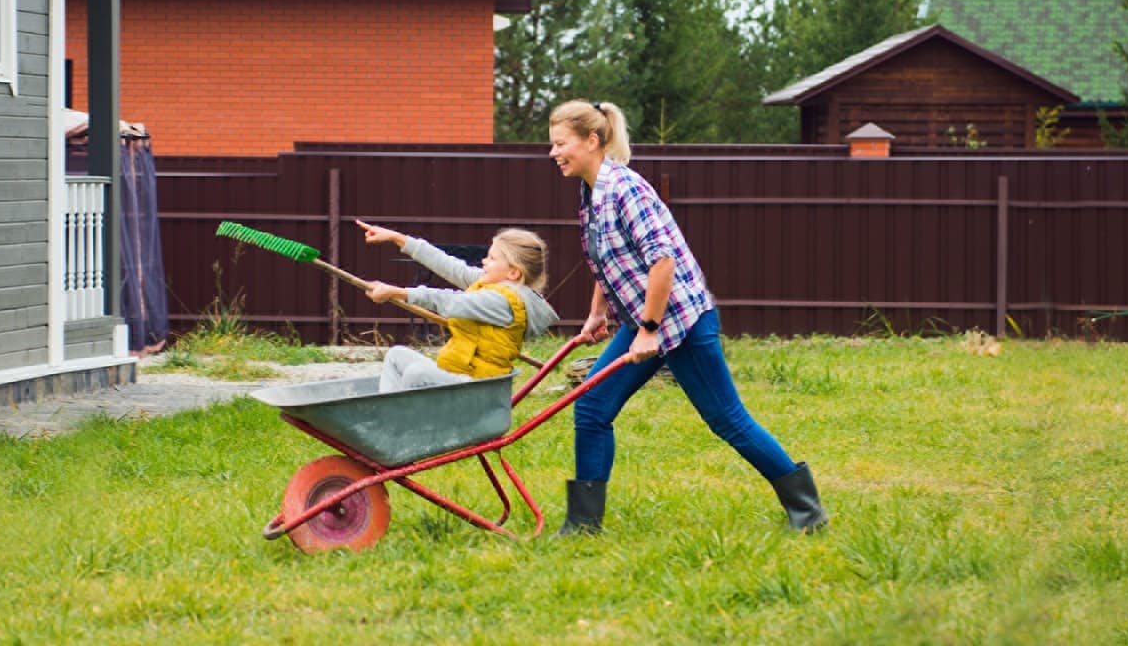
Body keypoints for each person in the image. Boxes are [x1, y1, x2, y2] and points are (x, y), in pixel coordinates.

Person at [548, 100, 828, 534]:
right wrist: (597, 312)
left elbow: (662, 260)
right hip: (644, 321)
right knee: (592, 406)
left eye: (560, 143)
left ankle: (808, 512)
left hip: (681, 323)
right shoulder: (592, 191)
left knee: (727, 419)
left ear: (592, 140)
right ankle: (584, 525)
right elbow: (608, 258)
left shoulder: (624, 189)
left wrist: (649, 330)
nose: (554, 153)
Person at [355, 221, 559, 393]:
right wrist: (397, 238)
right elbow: (450, 266)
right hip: (459, 375)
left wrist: (397, 292)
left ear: (513, 273)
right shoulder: (492, 285)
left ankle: (406, 422)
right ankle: (389, 417)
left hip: (477, 387)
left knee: (417, 374)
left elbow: (452, 302)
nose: (484, 261)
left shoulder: (504, 302)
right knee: (396, 356)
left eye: (492, 258)